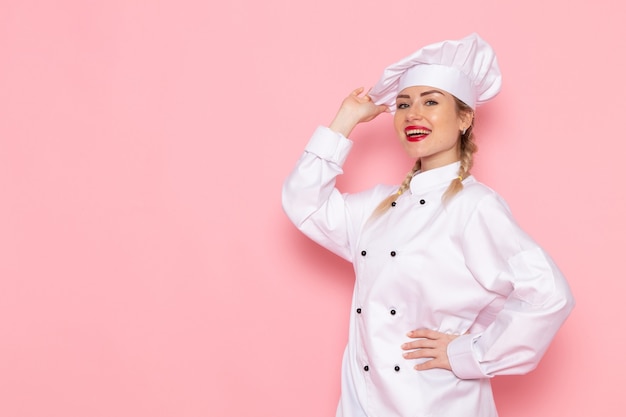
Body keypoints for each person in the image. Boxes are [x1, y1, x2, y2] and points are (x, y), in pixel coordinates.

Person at [282, 33, 574, 417]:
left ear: (465, 117)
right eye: (403, 104)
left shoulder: (474, 207)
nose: (412, 115)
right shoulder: (378, 206)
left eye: (431, 102)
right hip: (362, 405)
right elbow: (304, 202)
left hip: (436, 404)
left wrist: (468, 354)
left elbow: (549, 294)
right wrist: (346, 119)